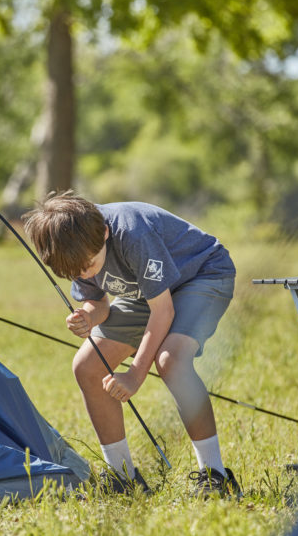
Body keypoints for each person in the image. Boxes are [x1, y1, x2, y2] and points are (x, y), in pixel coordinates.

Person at [24, 192, 241, 497]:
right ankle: (123, 477)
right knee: (86, 367)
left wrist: (135, 374)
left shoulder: (132, 232)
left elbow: (163, 311)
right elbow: (98, 303)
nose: (86, 273)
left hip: (201, 275)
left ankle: (215, 475)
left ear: (105, 233)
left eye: (90, 265)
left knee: (171, 361)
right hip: (144, 294)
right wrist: (87, 315)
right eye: (76, 272)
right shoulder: (75, 246)